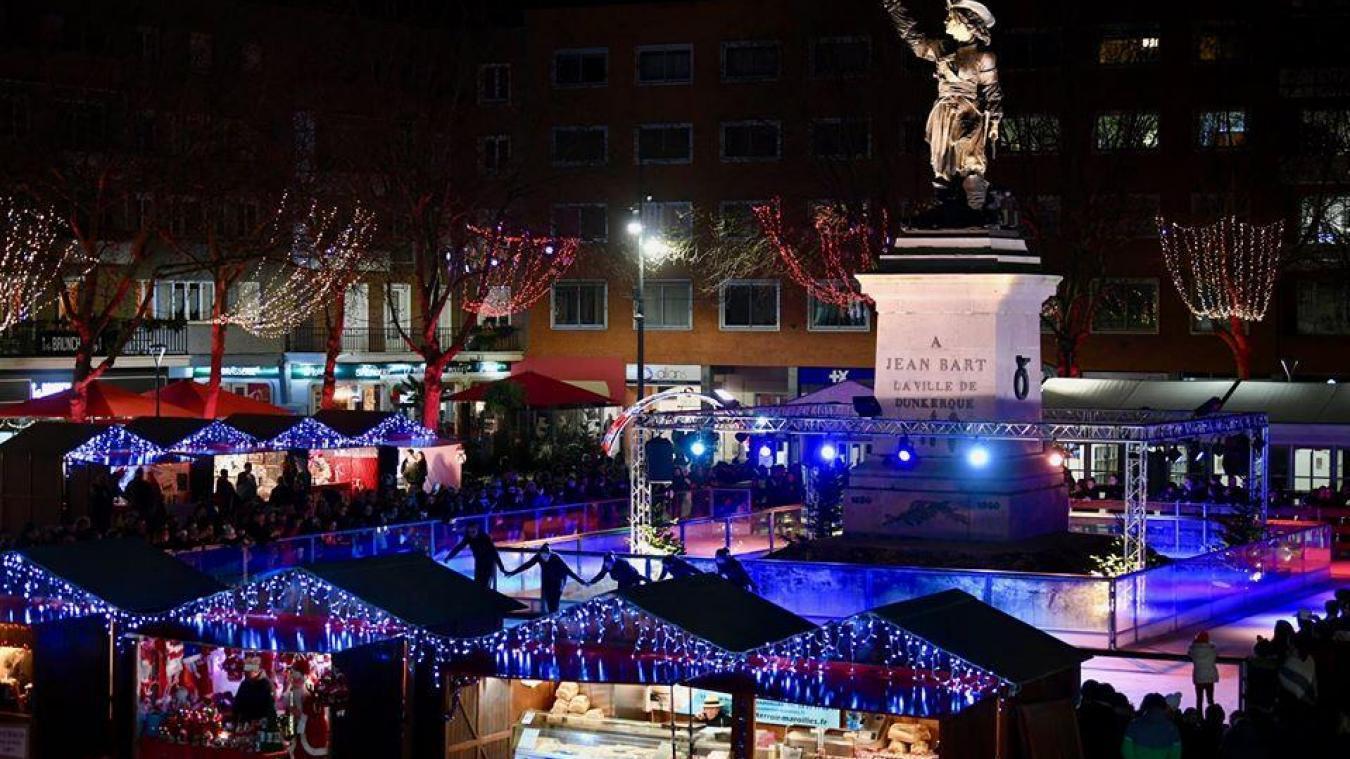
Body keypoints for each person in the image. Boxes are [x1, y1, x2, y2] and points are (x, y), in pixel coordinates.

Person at [507, 543, 590, 614]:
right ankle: (550, 615)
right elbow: (527, 565)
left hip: (559, 580)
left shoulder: (556, 557)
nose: (544, 558)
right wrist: (512, 572)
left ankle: (555, 616)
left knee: (555, 602)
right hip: (547, 580)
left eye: (546, 556)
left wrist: (582, 582)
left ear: (549, 554)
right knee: (549, 602)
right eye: (543, 556)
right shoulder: (538, 556)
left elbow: (568, 571)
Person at [442, 523, 507, 589]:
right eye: (469, 532)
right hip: (479, 562)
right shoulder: (468, 537)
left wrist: (502, 569)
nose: (471, 534)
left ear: (477, 530)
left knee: (485, 584)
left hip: (488, 563)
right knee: (477, 583)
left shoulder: (485, 537)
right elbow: (459, 547)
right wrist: (448, 557)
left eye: (473, 532)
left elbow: (494, 553)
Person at [1121, 692, 1182, 759]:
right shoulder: (1173, 729)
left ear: (1144, 705)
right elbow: (1175, 755)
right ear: (1164, 706)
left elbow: (1127, 752)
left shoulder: (1134, 725)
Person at [232, 656, 277, 726]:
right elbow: (237, 703)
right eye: (245, 672)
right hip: (245, 723)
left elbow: (270, 708)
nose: (245, 674)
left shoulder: (267, 684)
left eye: (248, 672)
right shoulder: (244, 684)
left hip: (260, 724)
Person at [1188, 630, 1220, 711]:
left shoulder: (1194, 649)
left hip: (1199, 677)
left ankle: (1199, 716)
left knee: (1199, 700)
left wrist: (1194, 643)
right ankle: (1212, 714)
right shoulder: (1211, 649)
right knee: (1210, 699)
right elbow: (1216, 653)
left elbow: (1189, 652)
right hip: (1209, 677)